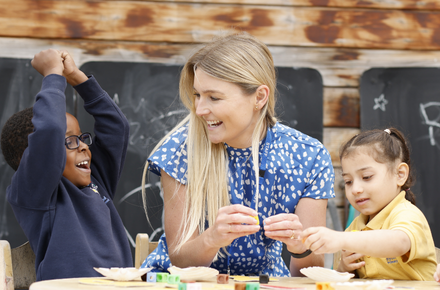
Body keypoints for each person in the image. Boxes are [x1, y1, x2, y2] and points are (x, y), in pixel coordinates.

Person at [140, 32, 335, 277]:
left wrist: (299, 247)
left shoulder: (309, 156)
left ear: (259, 97)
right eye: (197, 95)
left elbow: (308, 276)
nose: (199, 109)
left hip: (264, 284)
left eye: (214, 97)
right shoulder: (181, 150)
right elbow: (180, 261)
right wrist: (211, 239)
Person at [0, 49, 133, 280]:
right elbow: (50, 130)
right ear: (32, 158)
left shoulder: (97, 182)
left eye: (82, 137)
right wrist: (53, 75)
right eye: (70, 140)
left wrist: (77, 78)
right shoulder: (36, 192)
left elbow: (117, 128)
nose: (83, 146)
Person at [301, 128, 437, 281]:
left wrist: (341, 239)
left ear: (400, 175)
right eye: (348, 182)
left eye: (366, 177)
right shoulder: (354, 227)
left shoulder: (406, 213)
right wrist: (344, 268)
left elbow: (399, 242)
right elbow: (340, 280)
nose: (355, 190)